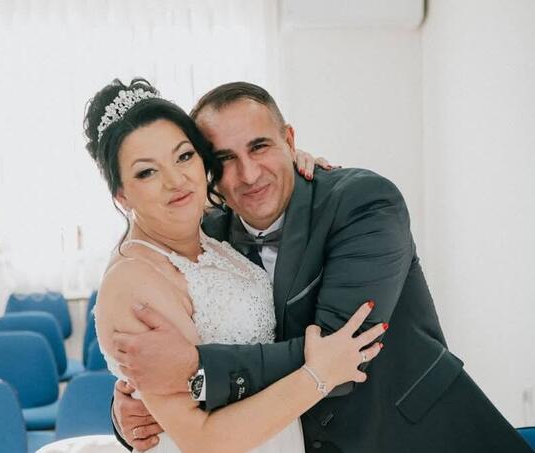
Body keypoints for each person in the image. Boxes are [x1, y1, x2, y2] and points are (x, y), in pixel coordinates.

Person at [112, 81, 532, 453]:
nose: (249, 174)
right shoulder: (207, 234)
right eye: (224, 158)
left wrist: (195, 370)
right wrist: (136, 407)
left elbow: (344, 353)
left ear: (289, 140)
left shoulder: (364, 202)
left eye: (260, 146)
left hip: (414, 435)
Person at [85, 78, 386, 453]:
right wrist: (319, 373)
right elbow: (199, 438)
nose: (175, 180)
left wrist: (289, 162)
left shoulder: (211, 230)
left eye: (183, 156)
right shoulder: (134, 279)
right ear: (121, 194)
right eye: (147, 172)